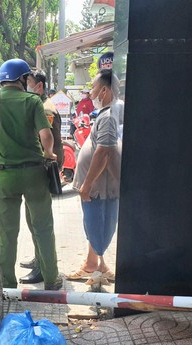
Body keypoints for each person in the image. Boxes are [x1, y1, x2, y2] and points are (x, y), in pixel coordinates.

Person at [0, 59, 61, 290]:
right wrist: (49, 154)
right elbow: (46, 136)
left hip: (5, 175)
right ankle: (52, 279)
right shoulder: (32, 101)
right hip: (34, 173)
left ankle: (6, 282)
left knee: (6, 232)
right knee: (43, 227)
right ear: (23, 79)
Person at [67, 69, 122, 283]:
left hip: (99, 188)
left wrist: (87, 185)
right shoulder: (106, 114)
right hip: (99, 187)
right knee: (93, 227)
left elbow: (104, 151)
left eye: (94, 87)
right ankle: (93, 265)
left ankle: (98, 273)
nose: (90, 92)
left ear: (105, 90)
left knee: (98, 228)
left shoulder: (107, 117)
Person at [19, 70, 63, 284]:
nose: (25, 86)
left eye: (28, 83)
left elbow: (43, 138)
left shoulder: (44, 107)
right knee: (32, 218)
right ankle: (39, 259)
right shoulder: (38, 104)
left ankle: (42, 268)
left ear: (40, 87)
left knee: (38, 221)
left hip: (44, 167)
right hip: (40, 167)